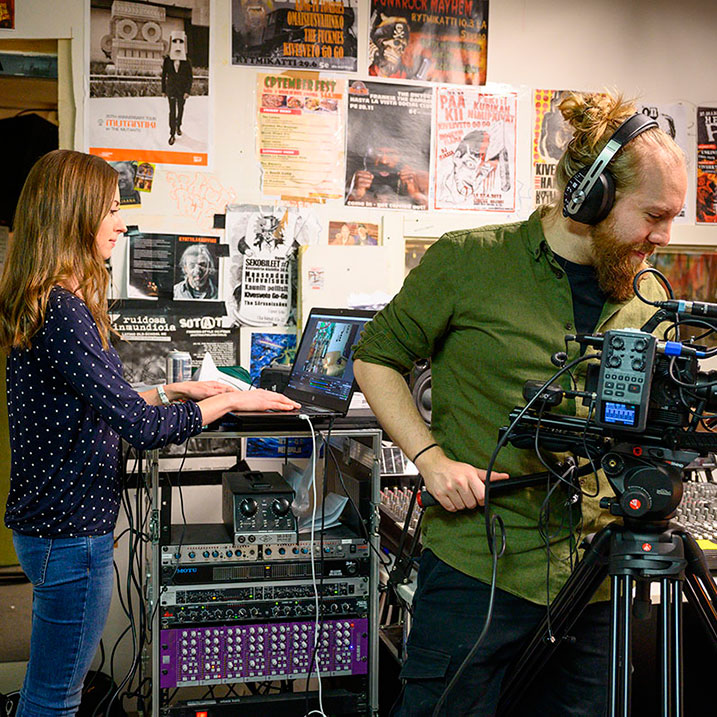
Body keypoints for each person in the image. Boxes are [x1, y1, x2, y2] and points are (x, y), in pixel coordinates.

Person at [352, 92, 687, 716]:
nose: (665, 237)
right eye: (654, 215)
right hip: (477, 569)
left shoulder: (649, 300)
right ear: (591, 197)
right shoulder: (467, 260)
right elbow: (376, 358)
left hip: (595, 586)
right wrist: (429, 459)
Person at [0, 149, 300, 716]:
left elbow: (102, 404)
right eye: (111, 210)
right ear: (72, 215)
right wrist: (234, 399)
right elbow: (141, 429)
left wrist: (174, 390)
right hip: (68, 535)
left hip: (53, 529)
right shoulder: (63, 310)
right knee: (54, 698)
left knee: (51, 689)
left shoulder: (46, 302)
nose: (121, 224)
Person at [347, 141, 428, 208]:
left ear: (402, 156)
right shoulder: (357, 178)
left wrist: (414, 193)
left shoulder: (421, 179)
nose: (384, 161)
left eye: (391, 154)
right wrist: (357, 195)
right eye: (378, 152)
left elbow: (430, 217)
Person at [161, 31, 193, 146]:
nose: (178, 44)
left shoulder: (187, 61)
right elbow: (164, 76)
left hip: (182, 91)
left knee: (180, 109)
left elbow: (189, 77)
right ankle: (172, 133)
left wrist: (187, 91)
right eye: (175, 41)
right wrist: (163, 90)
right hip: (171, 90)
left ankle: (178, 125)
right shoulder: (167, 60)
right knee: (172, 111)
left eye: (180, 41)